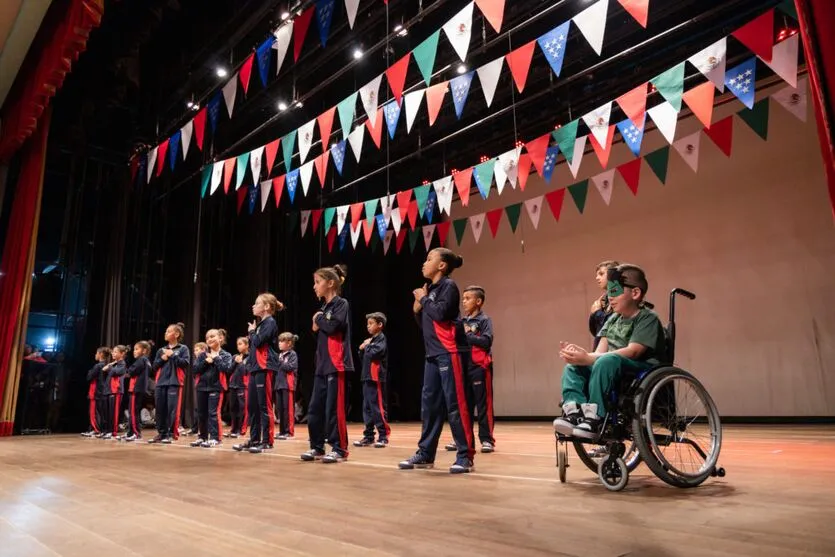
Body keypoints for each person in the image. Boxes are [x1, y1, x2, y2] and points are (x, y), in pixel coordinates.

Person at [554, 264, 666, 439]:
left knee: (606, 361)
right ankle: (574, 412)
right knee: (572, 368)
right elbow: (600, 352)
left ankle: (595, 417)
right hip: (611, 365)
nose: (610, 297)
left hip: (639, 368)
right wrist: (582, 357)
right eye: (608, 292)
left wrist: (591, 358)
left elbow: (633, 351)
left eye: (615, 292)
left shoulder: (647, 318)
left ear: (635, 293)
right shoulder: (612, 320)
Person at [399, 248, 475, 474]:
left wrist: (423, 299)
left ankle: (465, 456)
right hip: (432, 354)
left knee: (455, 405)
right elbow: (427, 322)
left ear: (442, 266)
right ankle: (425, 453)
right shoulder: (430, 289)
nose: (424, 263)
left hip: (450, 351)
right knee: (430, 406)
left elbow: (441, 313)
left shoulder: (448, 286)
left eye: (429, 259)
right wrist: (417, 309)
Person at [300, 264, 354, 464]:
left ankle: (339, 449)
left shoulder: (341, 304)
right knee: (315, 408)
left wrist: (319, 320)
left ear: (330, 283)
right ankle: (317, 446)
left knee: (334, 408)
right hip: (322, 365)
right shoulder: (323, 309)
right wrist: (320, 321)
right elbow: (321, 332)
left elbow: (332, 327)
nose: (314, 286)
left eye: (317, 282)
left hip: (336, 364)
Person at [233, 293, 284, 454]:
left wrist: (252, 332)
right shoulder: (261, 324)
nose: (253, 306)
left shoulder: (270, 322)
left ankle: (267, 441)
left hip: (264, 367)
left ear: (267, 307)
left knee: (264, 405)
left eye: (257, 303)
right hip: (255, 368)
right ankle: (254, 439)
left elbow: (258, 341)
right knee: (252, 406)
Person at [461, 286, 495, 453]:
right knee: (464, 405)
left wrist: (468, 335)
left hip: (480, 366)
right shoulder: (462, 321)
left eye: (468, 298)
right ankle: (463, 439)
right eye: (463, 298)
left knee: (483, 405)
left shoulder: (484, 320)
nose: (464, 301)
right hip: (463, 367)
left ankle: (487, 439)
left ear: (478, 301)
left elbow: (487, 341)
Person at [149, 322, 190, 444]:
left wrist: (173, 356)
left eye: (168, 331)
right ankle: (161, 433)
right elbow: (154, 367)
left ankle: (171, 434)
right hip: (161, 383)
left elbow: (185, 363)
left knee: (172, 409)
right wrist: (162, 359)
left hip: (174, 382)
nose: (165, 333)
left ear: (176, 334)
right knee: (160, 409)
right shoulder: (161, 350)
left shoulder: (183, 348)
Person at [354, 312, 390, 448]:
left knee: (377, 407)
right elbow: (363, 357)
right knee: (367, 408)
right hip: (367, 376)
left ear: (380, 325)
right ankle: (369, 436)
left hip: (376, 377)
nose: (368, 326)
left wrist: (366, 346)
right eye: (367, 324)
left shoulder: (381, 339)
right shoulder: (371, 341)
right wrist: (361, 349)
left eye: (371, 323)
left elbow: (377, 352)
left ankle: (383, 436)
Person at [192, 329, 233, 448]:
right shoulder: (203, 355)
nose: (209, 339)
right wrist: (205, 361)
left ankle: (215, 438)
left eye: (212, 336)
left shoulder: (225, 355)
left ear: (220, 338)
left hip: (216, 387)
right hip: (201, 387)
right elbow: (195, 370)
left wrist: (216, 358)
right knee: (201, 414)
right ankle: (202, 437)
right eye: (207, 337)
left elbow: (227, 369)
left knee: (213, 413)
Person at [125, 341, 152, 441]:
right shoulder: (146, 360)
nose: (134, 351)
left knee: (133, 412)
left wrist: (128, 372)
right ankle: (130, 432)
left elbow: (131, 371)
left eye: (137, 349)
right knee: (133, 411)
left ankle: (135, 433)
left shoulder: (142, 360)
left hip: (136, 389)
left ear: (144, 351)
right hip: (139, 389)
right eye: (134, 349)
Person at [589, 260, 620, 350]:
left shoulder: (621, 296)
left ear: (613, 275)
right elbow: (596, 330)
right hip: (600, 347)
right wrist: (593, 314)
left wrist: (597, 313)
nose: (597, 278)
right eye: (597, 275)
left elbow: (614, 324)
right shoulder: (603, 299)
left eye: (601, 274)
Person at [275, 333, 299, 440]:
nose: (279, 343)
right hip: (279, 385)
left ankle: (289, 432)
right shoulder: (279, 355)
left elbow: (290, 367)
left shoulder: (292, 354)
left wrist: (279, 361)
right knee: (280, 409)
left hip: (288, 385)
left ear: (289, 343)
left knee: (288, 409)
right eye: (279, 341)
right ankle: (282, 431)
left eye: (282, 341)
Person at [82, 347, 111, 437]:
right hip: (101, 391)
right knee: (98, 411)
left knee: (93, 411)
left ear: (101, 354)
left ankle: (95, 429)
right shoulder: (106, 365)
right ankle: (96, 429)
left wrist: (89, 372)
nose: (95, 355)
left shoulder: (98, 366)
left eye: (96, 353)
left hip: (96, 391)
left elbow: (89, 377)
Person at [103, 345, 128, 440]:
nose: (113, 353)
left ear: (122, 354)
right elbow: (104, 370)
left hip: (116, 391)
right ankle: (107, 431)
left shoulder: (122, 364)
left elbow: (116, 372)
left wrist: (110, 366)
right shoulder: (115, 364)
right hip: (109, 390)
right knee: (108, 413)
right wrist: (111, 365)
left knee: (114, 412)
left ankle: (113, 432)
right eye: (113, 352)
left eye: (115, 352)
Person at [228, 337, 250, 438]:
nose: (238, 346)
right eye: (237, 344)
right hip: (233, 385)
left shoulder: (250, 357)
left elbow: (245, 372)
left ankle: (241, 429)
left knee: (242, 409)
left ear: (247, 345)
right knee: (233, 408)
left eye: (241, 344)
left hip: (243, 386)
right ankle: (234, 429)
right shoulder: (235, 357)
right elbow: (229, 371)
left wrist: (241, 363)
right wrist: (235, 362)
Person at [188, 342, 208, 436]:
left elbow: (197, 370)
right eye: (194, 350)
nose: (195, 352)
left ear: (203, 350)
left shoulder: (205, 358)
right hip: (199, 385)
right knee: (198, 409)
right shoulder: (197, 361)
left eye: (197, 350)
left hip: (205, 386)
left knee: (204, 410)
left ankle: (203, 431)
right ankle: (195, 429)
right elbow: (194, 372)